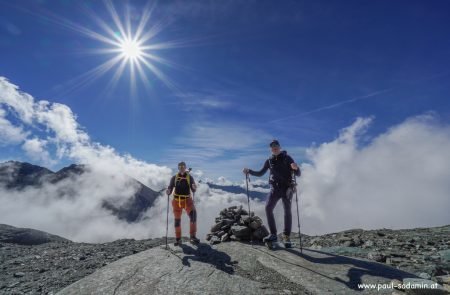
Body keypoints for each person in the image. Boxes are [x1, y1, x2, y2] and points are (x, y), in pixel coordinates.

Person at [243, 139, 300, 247]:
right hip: (275, 189)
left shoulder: (287, 158)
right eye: (272, 146)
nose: (274, 147)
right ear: (271, 149)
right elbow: (260, 173)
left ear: (279, 147)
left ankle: (286, 237)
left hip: (287, 188)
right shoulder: (269, 161)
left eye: (276, 146)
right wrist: (249, 171)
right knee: (268, 208)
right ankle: (273, 234)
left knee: (287, 211)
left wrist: (296, 168)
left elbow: (298, 173)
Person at [166, 162, 200, 245]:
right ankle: (178, 239)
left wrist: (194, 188)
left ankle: (192, 237)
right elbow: (170, 187)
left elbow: (193, 189)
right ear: (178, 168)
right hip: (177, 201)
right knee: (177, 220)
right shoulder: (174, 178)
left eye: (183, 166)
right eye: (180, 167)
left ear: (185, 168)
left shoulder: (189, 177)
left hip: (187, 200)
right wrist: (169, 191)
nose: (181, 168)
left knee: (193, 216)